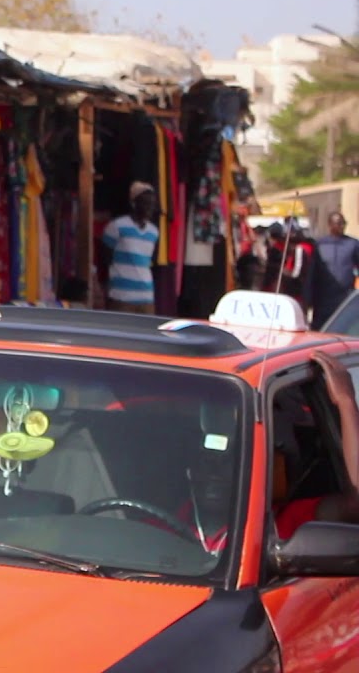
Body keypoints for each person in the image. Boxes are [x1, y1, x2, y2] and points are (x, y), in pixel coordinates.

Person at [178, 351, 359, 553]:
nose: (215, 472)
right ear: (190, 471)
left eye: (230, 460)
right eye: (208, 460)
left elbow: (355, 505)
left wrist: (345, 401)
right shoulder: (162, 520)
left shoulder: (279, 524)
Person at [101, 182, 159, 314]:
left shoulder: (153, 232)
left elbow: (149, 262)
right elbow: (106, 257)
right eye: (145, 203)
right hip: (122, 296)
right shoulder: (117, 226)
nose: (150, 208)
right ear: (134, 203)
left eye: (152, 204)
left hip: (146, 296)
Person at [310, 212, 359, 330]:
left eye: (343, 223)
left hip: (344, 296)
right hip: (323, 298)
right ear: (330, 224)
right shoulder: (320, 245)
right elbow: (312, 274)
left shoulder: (353, 244)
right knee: (320, 329)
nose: (342, 226)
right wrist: (309, 297)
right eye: (339, 223)